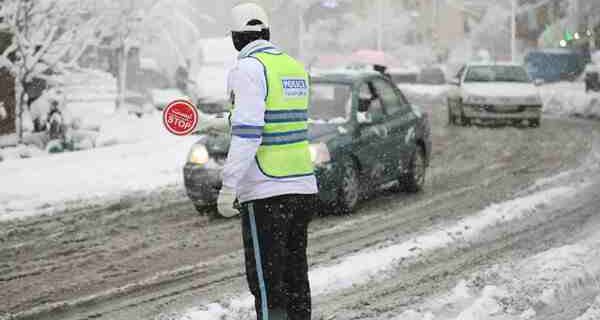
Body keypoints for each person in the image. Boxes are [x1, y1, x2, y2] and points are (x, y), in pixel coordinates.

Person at [217, 3, 318, 320]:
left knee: (267, 281)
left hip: (266, 190)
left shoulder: (247, 69)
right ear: (267, 33)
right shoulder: (293, 67)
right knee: (294, 275)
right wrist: (220, 121)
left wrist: (228, 185)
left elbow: (249, 133)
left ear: (236, 38)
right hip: (301, 186)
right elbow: (279, 119)